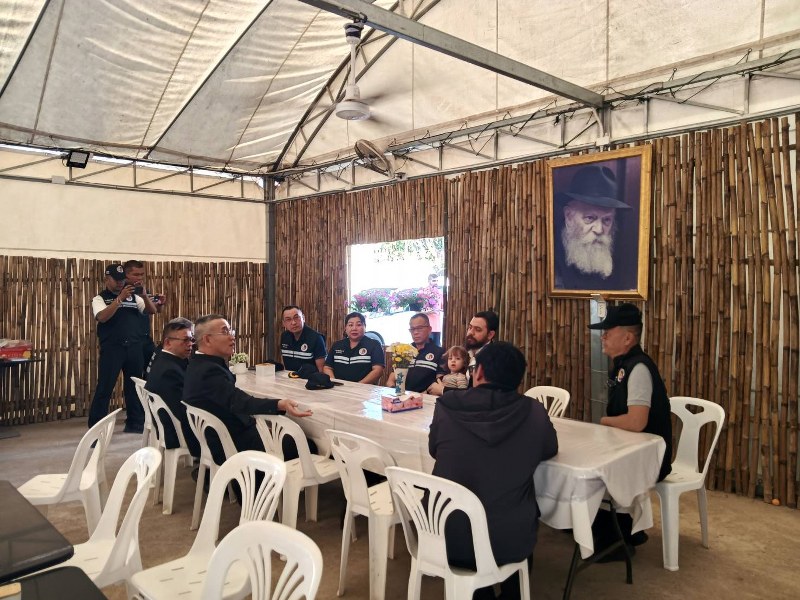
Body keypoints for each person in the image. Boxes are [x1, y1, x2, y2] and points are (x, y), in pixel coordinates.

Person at [429, 342, 558, 600]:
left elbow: (435, 450)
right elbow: (549, 448)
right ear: (519, 379)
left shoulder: (447, 404)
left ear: (478, 372)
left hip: (447, 535)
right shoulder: (532, 411)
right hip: (509, 540)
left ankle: (479, 592)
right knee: (516, 508)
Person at [588, 302, 672, 559]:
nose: (602, 337)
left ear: (627, 338)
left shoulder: (639, 369)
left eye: (607, 332)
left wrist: (604, 421)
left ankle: (618, 538)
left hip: (649, 457)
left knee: (597, 471)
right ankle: (615, 529)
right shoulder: (625, 364)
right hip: (630, 448)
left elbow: (636, 422)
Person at [183, 314, 312, 466]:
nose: (232, 337)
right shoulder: (209, 370)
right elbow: (240, 402)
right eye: (225, 332)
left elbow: (234, 399)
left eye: (231, 331)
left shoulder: (197, 364)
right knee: (307, 443)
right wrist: (279, 404)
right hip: (233, 444)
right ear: (207, 340)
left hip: (216, 438)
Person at [88, 263, 157, 433]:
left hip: (134, 347)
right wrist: (119, 299)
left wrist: (144, 296)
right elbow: (102, 317)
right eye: (116, 280)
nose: (120, 283)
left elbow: (151, 310)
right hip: (113, 349)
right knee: (105, 387)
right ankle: (96, 427)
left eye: (122, 280)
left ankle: (135, 423)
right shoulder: (100, 298)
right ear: (107, 279)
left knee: (134, 387)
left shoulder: (134, 297)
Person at [554, 165, 636, 290]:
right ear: (569, 216)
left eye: (606, 220)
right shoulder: (549, 252)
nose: (599, 230)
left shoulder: (619, 252)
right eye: (590, 218)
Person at [144, 318, 200, 458]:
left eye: (191, 339)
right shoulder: (169, 370)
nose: (190, 344)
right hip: (176, 430)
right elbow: (184, 409)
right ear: (168, 342)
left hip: (168, 424)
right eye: (185, 340)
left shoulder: (166, 361)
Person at [427, 310, 498, 395]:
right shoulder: (464, 352)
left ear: (490, 335)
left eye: (477, 330)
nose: (470, 332)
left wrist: (443, 390)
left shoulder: (494, 358)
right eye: (470, 327)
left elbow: (482, 394)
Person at [123, 260, 166, 375]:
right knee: (134, 375)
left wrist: (159, 304)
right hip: (130, 341)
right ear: (125, 275)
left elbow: (154, 311)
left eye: (142, 274)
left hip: (146, 339)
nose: (140, 278)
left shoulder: (143, 291)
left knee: (153, 371)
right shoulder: (122, 292)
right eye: (136, 274)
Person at [386, 313, 444, 393]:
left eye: (419, 328)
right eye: (412, 329)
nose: (415, 332)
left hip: (425, 397)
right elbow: (391, 379)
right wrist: (395, 390)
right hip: (402, 396)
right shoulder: (404, 351)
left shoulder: (439, 352)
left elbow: (440, 382)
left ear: (429, 329)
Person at [324, 312, 385, 384]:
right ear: (345, 328)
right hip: (338, 387)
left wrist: (358, 385)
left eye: (358, 325)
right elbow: (327, 367)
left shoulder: (374, 345)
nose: (354, 328)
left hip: (364, 388)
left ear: (365, 327)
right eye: (350, 325)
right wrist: (335, 383)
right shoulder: (337, 345)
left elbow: (378, 370)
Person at [279, 305, 326, 372]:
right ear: (284, 323)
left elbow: (321, 371)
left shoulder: (316, 338)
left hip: (310, 378)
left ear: (303, 318)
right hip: (290, 377)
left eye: (296, 317)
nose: (293, 323)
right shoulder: (284, 336)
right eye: (288, 319)